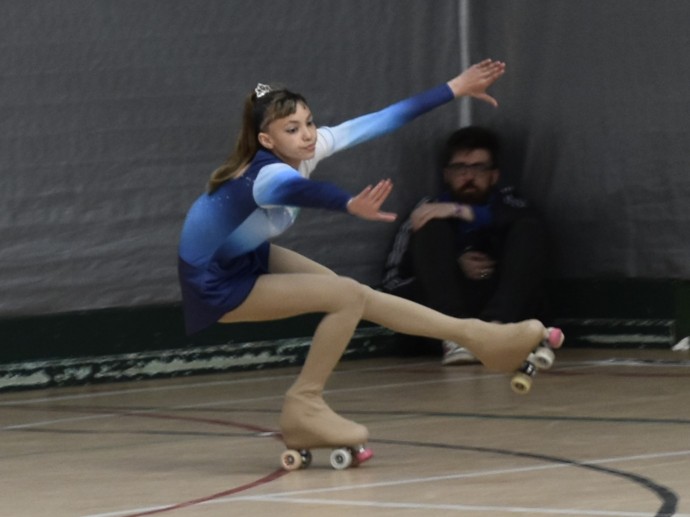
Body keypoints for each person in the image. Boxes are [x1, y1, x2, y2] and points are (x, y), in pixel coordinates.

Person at [177, 59, 555, 461]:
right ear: (267, 141)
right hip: (215, 282)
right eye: (293, 129)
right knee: (344, 296)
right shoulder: (266, 175)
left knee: (355, 295)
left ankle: (479, 338)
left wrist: (454, 88)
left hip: (245, 256)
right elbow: (304, 192)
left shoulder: (307, 147)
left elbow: (381, 120)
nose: (307, 135)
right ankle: (303, 406)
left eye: (308, 122)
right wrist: (348, 203)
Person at [382, 126, 550, 366]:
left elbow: (532, 237)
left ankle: (494, 332)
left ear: (494, 175)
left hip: (506, 313)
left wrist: (460, 210)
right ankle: (457, 336)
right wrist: (449, 266)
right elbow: (392, 283)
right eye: (460, 168)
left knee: (529, 229)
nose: (468, 176)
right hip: (442, 319)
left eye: (479, 168)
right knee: (431, 224)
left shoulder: (512, 205)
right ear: (446, 175)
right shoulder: (426, 211)